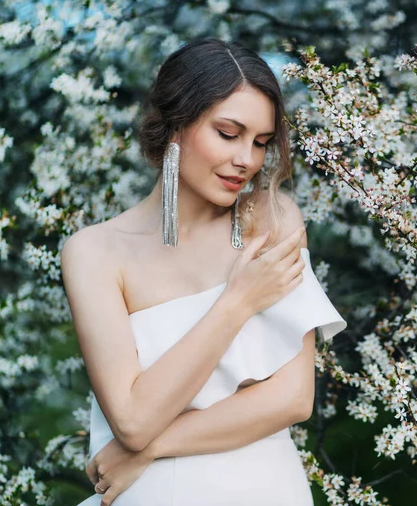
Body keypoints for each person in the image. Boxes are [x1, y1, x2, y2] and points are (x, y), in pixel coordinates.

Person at [61, 37, 347, 506]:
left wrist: (150, 448)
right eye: (228, 133)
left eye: (260, 143)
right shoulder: (94, 253)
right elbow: (131, 420)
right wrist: (237, 302)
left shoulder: (271, 222)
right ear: (175, 126)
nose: (246, 160)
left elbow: (294, 398)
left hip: (266, 489)